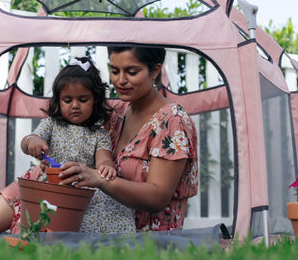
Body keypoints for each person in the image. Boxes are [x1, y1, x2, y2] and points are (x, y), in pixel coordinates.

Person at [0, 56, 135, 234]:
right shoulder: (52, 125)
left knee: (72, 223)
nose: (75, 106)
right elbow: (28, 141)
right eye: (67, 100)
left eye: (83, 100)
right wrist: (32, 142)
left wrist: (106, 167)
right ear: (58, 101)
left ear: (95, 101)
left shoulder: (99, 133)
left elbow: (103, 158)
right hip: (50, 183)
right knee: (38, 216)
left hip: (79, 186)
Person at [59, 46, 198, 231]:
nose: (121, 80)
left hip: (149, 240)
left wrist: (101, 180)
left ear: (155, 71)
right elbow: (68, 128)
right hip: (105, 226)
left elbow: (158, 197)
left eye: (132, 72)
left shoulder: (172, 121)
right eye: (115, 71)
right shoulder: (116, 111)